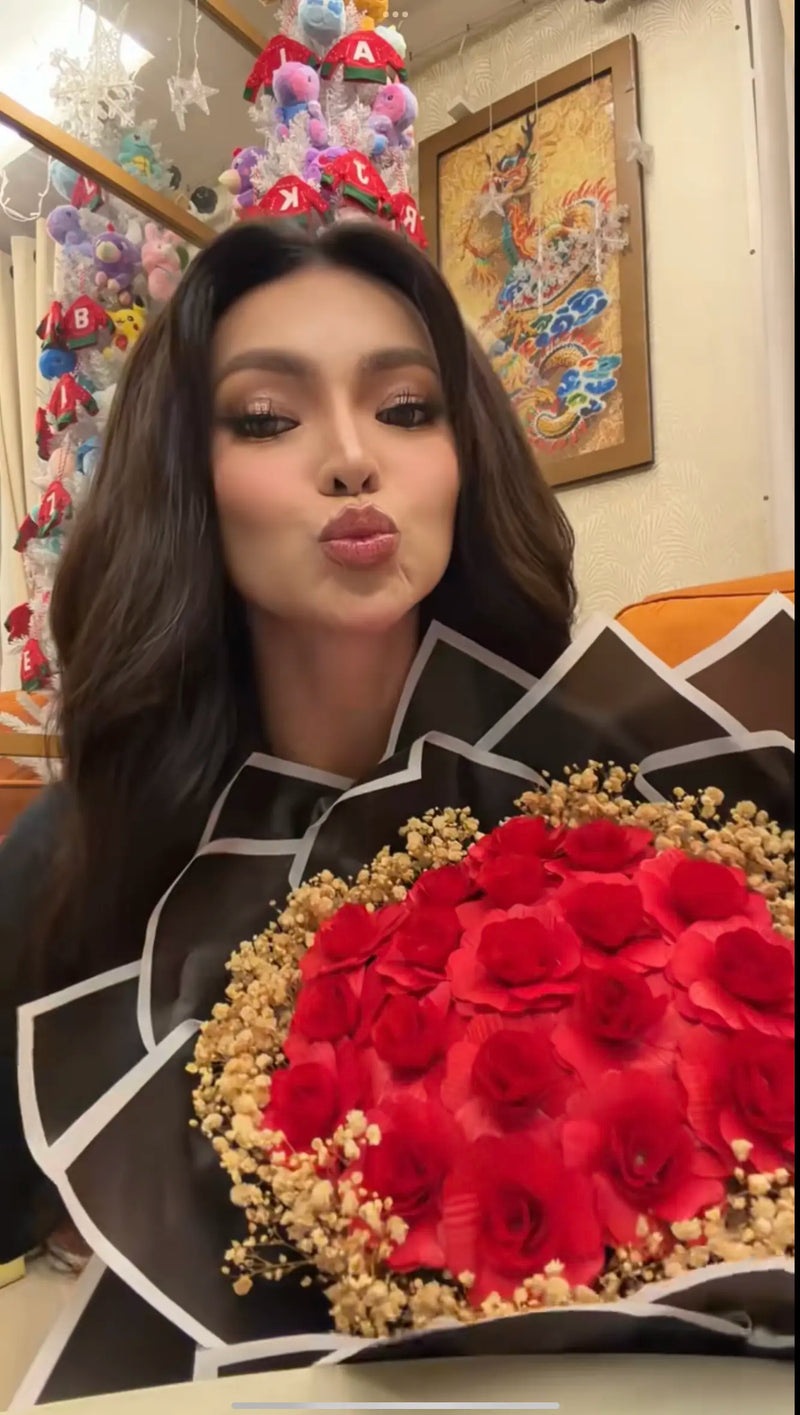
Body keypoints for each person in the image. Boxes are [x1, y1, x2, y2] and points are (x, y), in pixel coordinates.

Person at [0, 218, 575, 1262]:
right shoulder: (76, 855)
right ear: (186, 478)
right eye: (266, 419)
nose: (352, 459)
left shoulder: (588, 796)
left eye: (405, 409)